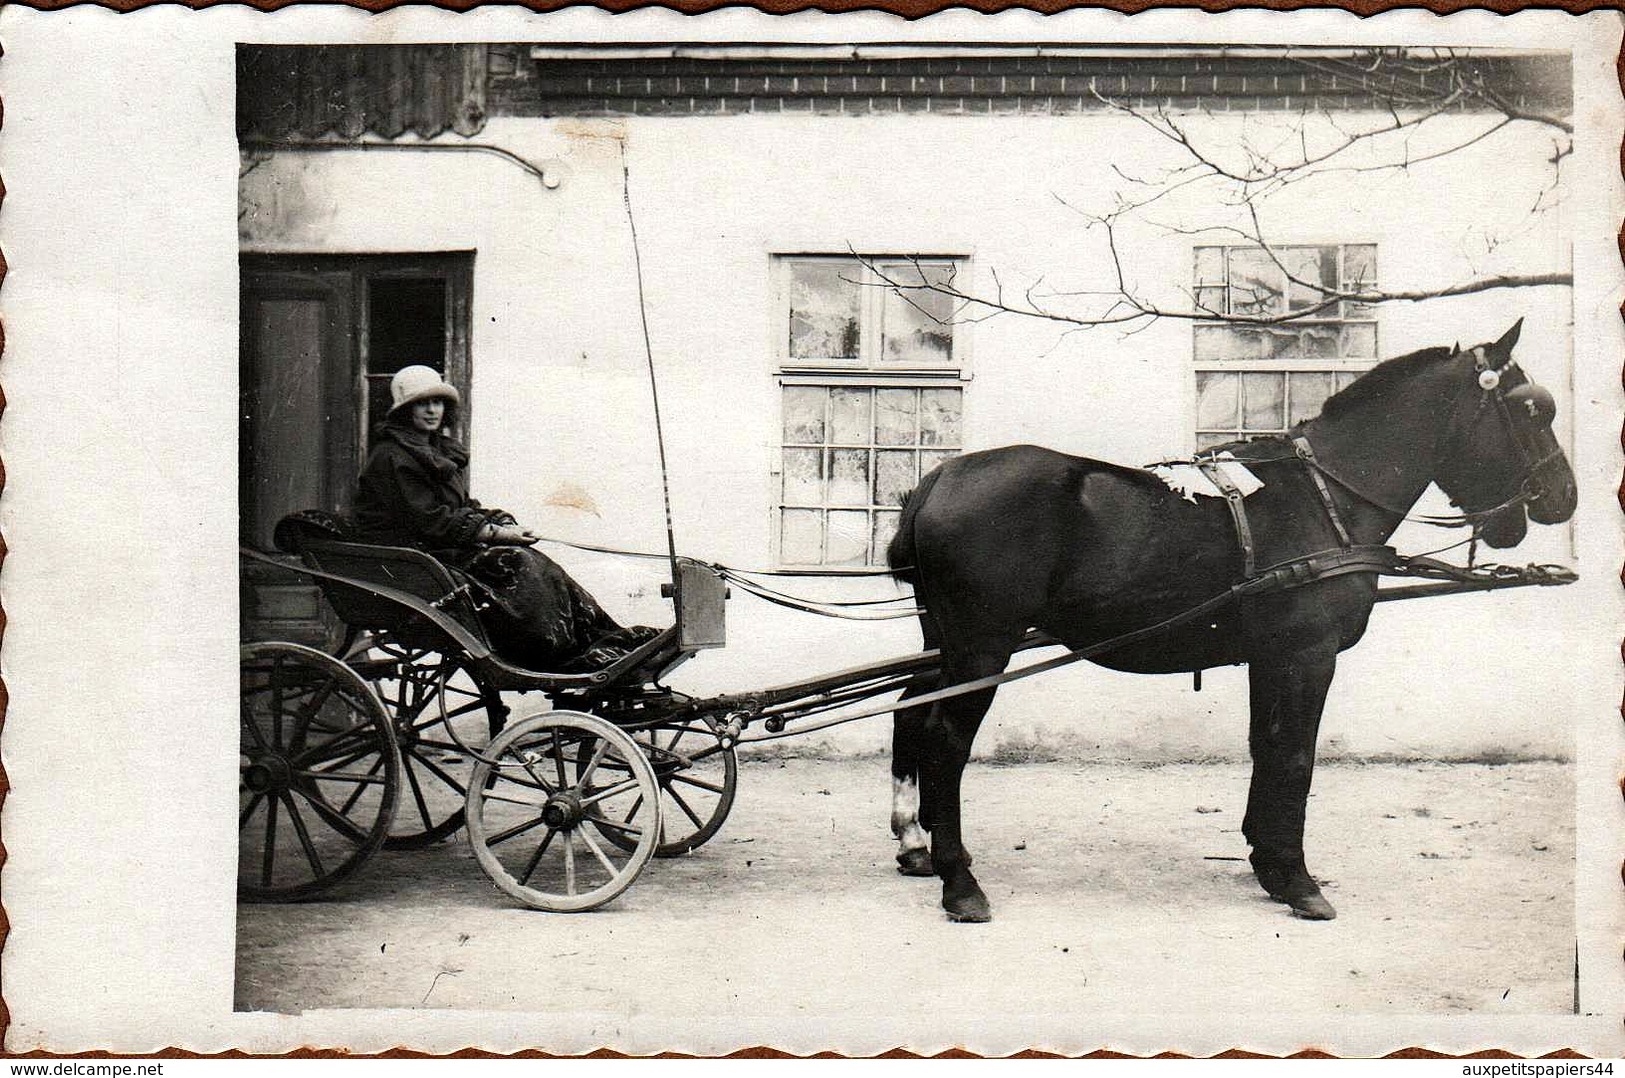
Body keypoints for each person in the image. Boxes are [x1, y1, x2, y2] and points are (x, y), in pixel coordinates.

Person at [353, 365, 660, 672]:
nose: (432, 410)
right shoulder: (392, 457)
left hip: (439, 549)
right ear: (406, 411)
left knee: (536, 561)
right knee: (520, 563)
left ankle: (604, 639)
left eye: (438, 402)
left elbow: (461, 506)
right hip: (416, 557)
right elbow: (432, 521)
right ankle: (556, 653)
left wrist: (502, 522)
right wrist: (496, 535)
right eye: (422, 403)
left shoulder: (431, 450)